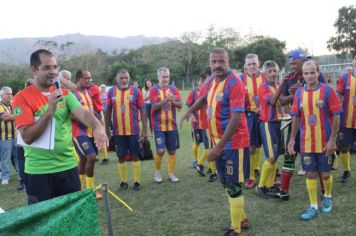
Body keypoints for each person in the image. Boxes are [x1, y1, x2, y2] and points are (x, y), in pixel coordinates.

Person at [12, 49, 108, 204]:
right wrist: (50, 111)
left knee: (72, 221)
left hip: (68, 168)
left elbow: (84, 114)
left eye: (55, 67)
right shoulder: (21, 98)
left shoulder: (64, 94)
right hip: (39, 172)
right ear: (34, 70)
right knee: (45, 223)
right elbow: (27, 137)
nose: (53, 72)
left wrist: (98, 127)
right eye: (47, 68)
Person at [180, 48, 250, 235]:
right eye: (214, 62)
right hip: (218, 140)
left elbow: (236, 118)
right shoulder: (211, 80)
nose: (217, 65)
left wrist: (219, 146)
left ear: (228, 62)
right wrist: (189, 111)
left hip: (234, 143)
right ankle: (241, 219)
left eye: (221, 61)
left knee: (233, 184)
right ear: (210, 63)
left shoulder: (235, 82)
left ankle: (236, 229)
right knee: (226, 182)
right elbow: (203, 98)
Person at [288, 60, 341, 221]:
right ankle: (313, 207)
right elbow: (296, 117)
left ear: (318, 72)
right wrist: (291, 140)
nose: (309, 76)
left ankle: (327, 196)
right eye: (306, 73)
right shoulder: (299, 93)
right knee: (310, 174)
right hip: (306, 142)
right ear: (302, 75)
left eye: (312, 72)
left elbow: (337, 116)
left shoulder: (327, 91)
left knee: (325, 175)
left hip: (325, 141)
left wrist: (332, 140)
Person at [278, 49, 326, 200]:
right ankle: (284, 190)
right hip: (296, 122)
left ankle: (325, 190)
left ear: (303, 61)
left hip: (315, 124)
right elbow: (281, 101)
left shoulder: (316, 75)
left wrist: (303, 92)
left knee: (318, 156)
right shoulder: (289, 78)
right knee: (289, 154)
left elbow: (325, 96)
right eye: (290, 64)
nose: (292, 66)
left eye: (294, 63)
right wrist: (294, 94)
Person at [105, 69, 147, 191]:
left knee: (135, 155)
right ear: (117, 79)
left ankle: (137, 182)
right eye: (121, 78)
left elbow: (143, 111)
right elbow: (108, 111)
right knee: (121, 156)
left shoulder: (136, 91)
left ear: (129, 78)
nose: (124, 80)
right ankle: (123, 182)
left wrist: (144, 129)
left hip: (133, 131)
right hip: (118, 132)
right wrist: (107, 129)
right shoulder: (111, 91)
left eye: (126, 78)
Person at [256, 61, 286, 198]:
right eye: (270, 71)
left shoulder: (277, 86)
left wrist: (292, 92)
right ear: (265, 73)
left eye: (275, 71)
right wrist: (282, 86)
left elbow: (283, 101)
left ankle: (270, 185)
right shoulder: (263, 88)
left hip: (278, 123)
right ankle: (261, 186)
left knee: (275, 157)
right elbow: (273, 101)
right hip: (268, 124)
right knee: (271, 156)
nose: (273, 74)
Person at [72, 69, 103, 199]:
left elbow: (92, 111)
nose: (89, 80)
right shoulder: (73, 95)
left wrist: (99, 124)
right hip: (78, 132)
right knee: (91, 157)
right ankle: (90, 190)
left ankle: (79, 189)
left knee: (85, 159)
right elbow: (71, 114)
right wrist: (85, 118)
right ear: (78, 79)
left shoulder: (88, 93)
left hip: (91, 131)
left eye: (90, 77)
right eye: (86, 78)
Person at [150, 67, 182, 183]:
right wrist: (165, 100)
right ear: (158, 77)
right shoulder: (153, 90)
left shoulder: (174, 89)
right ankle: (157, 172)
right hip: (159, 126)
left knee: (172, 151)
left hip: (172, 126)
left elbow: (180, 105)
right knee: (160, 150)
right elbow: (153, 106)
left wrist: (173, 101)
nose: (166, 79)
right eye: (163, 77)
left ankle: (171, 173)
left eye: (167, 76)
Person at [239, 54, 265, 189]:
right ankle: (251, 176)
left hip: (265, 114)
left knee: (260, 144)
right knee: (250, 147)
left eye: (253, 63)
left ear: (258, 63)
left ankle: (256, 166)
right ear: (245, 65)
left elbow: (272, 94)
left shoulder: (265, 77)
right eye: (248, 64)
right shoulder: (240, 79)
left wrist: (262, 107)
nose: (251, 67)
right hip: (248, 116)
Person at [336, 54, 356, 183]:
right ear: (353, 61)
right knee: (345, 147)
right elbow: (337, 99)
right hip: (346, 120)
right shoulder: (344, 78)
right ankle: (347, 171)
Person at [0, 87, 15, 185]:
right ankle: (5, 177)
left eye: (11, 94)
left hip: (15, 136)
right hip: (4, 137)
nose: (10, 96)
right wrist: (17, 116)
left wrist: (14, 116)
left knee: (17, 157)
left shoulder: (13, 104)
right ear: (1, 95)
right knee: (6, 158)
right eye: (7, 94)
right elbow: (4, 117)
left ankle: (19, 173)